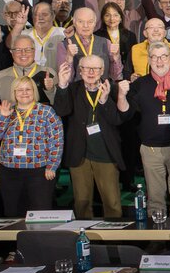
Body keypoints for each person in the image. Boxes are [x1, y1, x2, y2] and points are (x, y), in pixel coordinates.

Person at [53, 55, 130, 218]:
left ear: (102, 71)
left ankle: (113, 241)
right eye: (86, 68)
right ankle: (85, 241)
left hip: (106, 154)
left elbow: (118, 120)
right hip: (79, 155)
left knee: (112, 203)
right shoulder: (72, 88)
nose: (91, 72)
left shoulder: (113, 89)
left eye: (95, 68)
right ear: (79, 71)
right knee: (82, 204)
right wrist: (62, 84)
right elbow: (61, 111)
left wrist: (104, 102)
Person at [120, 42, 170, 218]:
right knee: (155, 198)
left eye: (163, 56)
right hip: (151, 148)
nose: (159, 61)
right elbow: (126, 113)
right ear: (150, 59)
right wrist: (121, 95)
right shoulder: (140, 84)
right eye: (155, 57)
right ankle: (158, 239)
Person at [0, 77, 64, 216]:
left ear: (34, 91)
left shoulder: (46, 111)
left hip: (38, 172)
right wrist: (3, 117)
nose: (24, 93)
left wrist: (52, 166)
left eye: (28, 89)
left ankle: (39, 238)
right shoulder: (6, 111)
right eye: (20, 90)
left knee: (40, 213)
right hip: (10, 172)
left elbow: (56, 141)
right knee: (13, 212)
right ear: (14, 93)